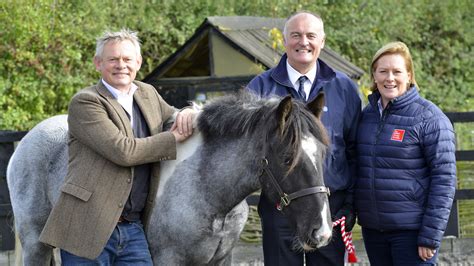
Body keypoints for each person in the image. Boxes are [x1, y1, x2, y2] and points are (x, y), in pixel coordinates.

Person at [39, 29, 196, 264]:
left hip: (133, 229)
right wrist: (172, 139)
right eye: (113, 59)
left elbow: (173, 116)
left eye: (127, 59)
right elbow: (124, 151)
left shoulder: (148, 93)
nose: (121, 65)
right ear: (98, 63)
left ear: (138, 63)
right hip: (87, 227)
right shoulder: (86, 102)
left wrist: (188, 112)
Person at [247, 11, 361, 265]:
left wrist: (351, 204)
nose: (303, 42)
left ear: (322, 41)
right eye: (296, 35)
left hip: (330, 206)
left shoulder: (344, 89)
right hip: (280, 209)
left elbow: (355, 150)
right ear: (285, 41)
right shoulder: (260, 88)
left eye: (311, 35)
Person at [354, 41, 456, 265]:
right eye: (383, 71)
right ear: (374, 75)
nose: (389, 78)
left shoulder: (431, 118)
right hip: (374, 231)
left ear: (409, 76)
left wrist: (430, 236)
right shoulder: (366, 116)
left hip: (413, 234)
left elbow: (445, 180)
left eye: (397, 71)